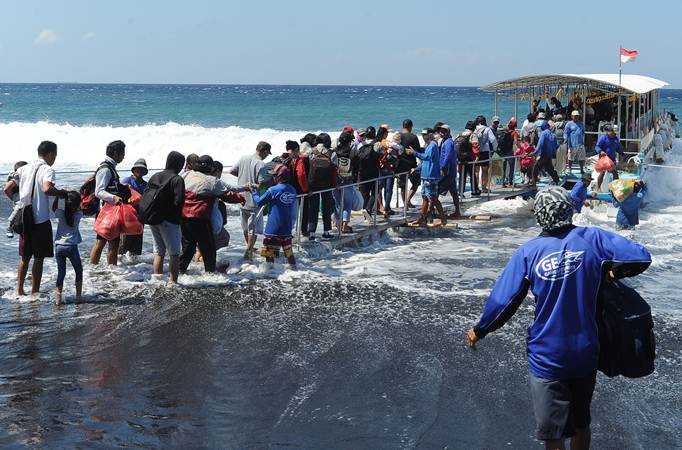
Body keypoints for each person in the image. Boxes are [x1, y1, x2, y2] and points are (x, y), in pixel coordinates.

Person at [466, 186, 652, 450]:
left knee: (553, 433)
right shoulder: (593, 239)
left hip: (548, 356)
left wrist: (480, 329)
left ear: (540, 215)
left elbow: (503, 302)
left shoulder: (529, 253)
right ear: (569, 210)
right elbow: (641, 256)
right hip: (586, 351)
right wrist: (612, 272)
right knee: (580, 422)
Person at [3, 141, 67, 296]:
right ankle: (34, 293)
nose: (55, 159)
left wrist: (17, 203)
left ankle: (19, 291)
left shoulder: (23, 169)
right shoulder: (48, 169)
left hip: (25, 218)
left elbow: (6, 188)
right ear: (50, 154)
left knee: (25, 257)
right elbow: (46, 189)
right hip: (41, 219)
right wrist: (60, 193)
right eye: (55, 155)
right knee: (39, 258)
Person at [143, 151, 186, 284]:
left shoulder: (155, 176)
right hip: (169, 220)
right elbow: (179, 202)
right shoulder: (177, 179)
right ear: (178, 164)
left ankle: (157, 280)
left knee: (159, 251)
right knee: (174, 253)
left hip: (153, 218)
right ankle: (173, 283)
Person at [230, 141, 270, 260]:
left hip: (241, 197)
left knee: (245, 227)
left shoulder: (244, 158)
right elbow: (262, 183)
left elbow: (232, 171)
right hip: (253, 199)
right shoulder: (261, 164)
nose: (267, 156)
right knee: (253, 229)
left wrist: (243, 177)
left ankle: (249, 249)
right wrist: (271, 181)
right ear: (265, 151)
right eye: (267, 153)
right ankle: (249, 252)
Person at [252, 165, 298, 269]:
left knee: (269, 253)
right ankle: (294, 269)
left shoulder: (273, 190)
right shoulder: (292, 190)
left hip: (273, 227)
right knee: (288, 251)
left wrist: (253, 192)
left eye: (274, 175)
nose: (273, 178)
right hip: (287, 227)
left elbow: (259, 201)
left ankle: (270, 273)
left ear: (279, 177)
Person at [90, 140, 127, 266]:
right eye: (122, 153)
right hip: (106, 212)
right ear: (115, 153)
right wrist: (114, 198)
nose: (124, 156)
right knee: (108, 242)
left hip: (110, 212)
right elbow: (98, 191)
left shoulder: (110, 168)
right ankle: (110, 270)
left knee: (106, 242)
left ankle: (94, 268)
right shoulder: (105, 169)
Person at [405, 128, 446, 226]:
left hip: (431, 177)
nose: (423, 137)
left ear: (430, 135)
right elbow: (425, 162)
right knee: (424, 197)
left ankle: (443, 219)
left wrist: (413, 153)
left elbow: (427, 157)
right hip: (426, 176)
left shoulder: (432, 145)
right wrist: (417, 169)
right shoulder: (428, 145)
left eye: (425, 134)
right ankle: (422, 219)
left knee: (433, 198)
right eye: (422, 135)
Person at [52, 192, 83, 305]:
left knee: (61, 272)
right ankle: (78, 298)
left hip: (59, 246)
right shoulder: (78, 215)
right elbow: (80, 206)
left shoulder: (60, 213)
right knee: (78, 271)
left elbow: (54, 208)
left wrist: (57, 196)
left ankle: (58, 299)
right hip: (72, 247)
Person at [307, 133, 337, 240]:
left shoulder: (311, 151)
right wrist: (335, 184)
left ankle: (311, 233)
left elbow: (307, 168)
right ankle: (326, 231)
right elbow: (334, 170)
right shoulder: (331, 153)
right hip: (327, 184)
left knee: (313, 208)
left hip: (313, 183)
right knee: (326, 208)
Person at [119, 158, 148, 258]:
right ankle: (118, 267)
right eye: (138, 169)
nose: (140, 171)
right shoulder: (127, 181)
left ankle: (135, 268)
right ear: (133, 170)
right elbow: (120, 194)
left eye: (142, 170)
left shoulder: (146, 185)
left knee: (136, 246)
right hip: (128, 217)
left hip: (140, 217)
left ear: (145, 172)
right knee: (124, 244)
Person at [281, 140, 310, 237]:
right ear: (297, 150)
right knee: (298, 213)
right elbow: (301, 175)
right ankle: (302, 231)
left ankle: (286, 231)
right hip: (297, 191)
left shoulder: (284, 158)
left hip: (284, 188)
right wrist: (306, 189)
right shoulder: (300, 160)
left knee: (287, 212)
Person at [355, 126, 381, 219]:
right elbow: (381, 154)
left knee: (364, 194)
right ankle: (369, 208)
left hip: (362, 173)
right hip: (374, 172)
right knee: (375, 192)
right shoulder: (377, 144)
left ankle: (366, 214)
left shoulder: (360, 145)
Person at [333, 131, 356, 233]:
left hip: (336, 180)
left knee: (338, 203)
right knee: (348, 203)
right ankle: (345, 225)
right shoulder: (351, 151)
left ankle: (338, 225)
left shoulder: (334, 151)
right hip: (347, 179)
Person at [436, 124, 461, 218]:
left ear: (448, 132)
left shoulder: (448, 142)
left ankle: (433, 213)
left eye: (444, 131)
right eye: (440, 131)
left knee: (436, 191)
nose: (441, 133)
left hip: (447, 171)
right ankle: (457, 211)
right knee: (454, 192)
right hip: (451, 171)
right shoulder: (445, 141)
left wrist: (442, 167)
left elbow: (447, 156)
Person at [399, 119, 421, 208]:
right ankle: (408, 200)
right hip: (411, 164)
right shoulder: (413, 137)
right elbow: (417, 151)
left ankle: (405, 204)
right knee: (416, 183)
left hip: (400, 164)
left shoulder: (398, 136)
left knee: (402, 185)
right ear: (410, 127)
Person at [595, 125, 624, 190]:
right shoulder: (603, 138)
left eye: (614, 132)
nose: (613, 133)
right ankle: (598, 188)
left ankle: (615, 188)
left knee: (615, 174)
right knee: (602, 173)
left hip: (612, 159)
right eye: (612, 132)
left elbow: (618, 147)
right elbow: (597, 147)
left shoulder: (615, 139)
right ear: (609, 131)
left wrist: (622, 153)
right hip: (604, 159)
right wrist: (600, 151)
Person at [473, 116, 498, 193]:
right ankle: (484, 188)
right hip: (484, 152)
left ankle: (475, 188)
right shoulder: (487, 129)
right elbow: (493, 140)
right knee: (485, 171)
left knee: (476, 171)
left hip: (475, 152)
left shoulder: (474, 129)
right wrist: (494, 148)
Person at [532, 120, 560, 185]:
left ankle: (533, 182)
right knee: (549, 169)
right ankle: (556, 180)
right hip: (550, 155)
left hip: (543, 154)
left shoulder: (544, 133)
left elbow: (540, 144)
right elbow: (557, 145)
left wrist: (535, 152)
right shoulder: (553, 134)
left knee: (535, 168)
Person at [4, 160, 28, 238]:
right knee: (19, 207)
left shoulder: (27, 177)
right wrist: (13, 198)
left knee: (22, 212)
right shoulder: (16, 177)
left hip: (20, 195)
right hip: (17, 195)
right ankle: (9, 226)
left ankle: (17, 227)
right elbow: (6, 188)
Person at [455, 121, 477, 195]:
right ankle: (474, 191)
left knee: (462, 176)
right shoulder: (472, 135)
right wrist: (476, 156)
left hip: (460, 158)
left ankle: (460, 192)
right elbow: (475, 145)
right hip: (469, 157)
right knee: (472, 175)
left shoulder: (459, 134)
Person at [497, 118, 519, 187]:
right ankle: (510, 182)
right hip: (509, 151)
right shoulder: (514, 133)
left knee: (503, 167)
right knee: (511, 166)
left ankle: (503, 183)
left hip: (502, 152)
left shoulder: (505, 131)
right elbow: (515, 142)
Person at [565, 111, 587, 175]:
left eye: (577, 116)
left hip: (580, 144)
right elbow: (566, 133)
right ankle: (569, 168)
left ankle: (581, 169)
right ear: (571, 116)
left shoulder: (581, 123)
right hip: (572, 144)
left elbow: (583, 131)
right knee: (570, 158)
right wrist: (566, 138)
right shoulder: (569, 124)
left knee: (582, 158)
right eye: (574, 116)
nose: (576, 117)